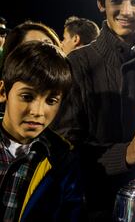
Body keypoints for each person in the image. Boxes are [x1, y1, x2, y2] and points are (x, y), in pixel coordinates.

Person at [51, 0, 135, 220]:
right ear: (101, 3)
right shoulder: (78, 62)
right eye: (116, 0)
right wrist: (125, 154)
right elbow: (65, 147)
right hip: (93, 205)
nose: (126, 11)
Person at [0, 41, 84, 221]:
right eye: (27, 96)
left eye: (51, 101)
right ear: (3, 92)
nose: (37, 112)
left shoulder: (62, 159)